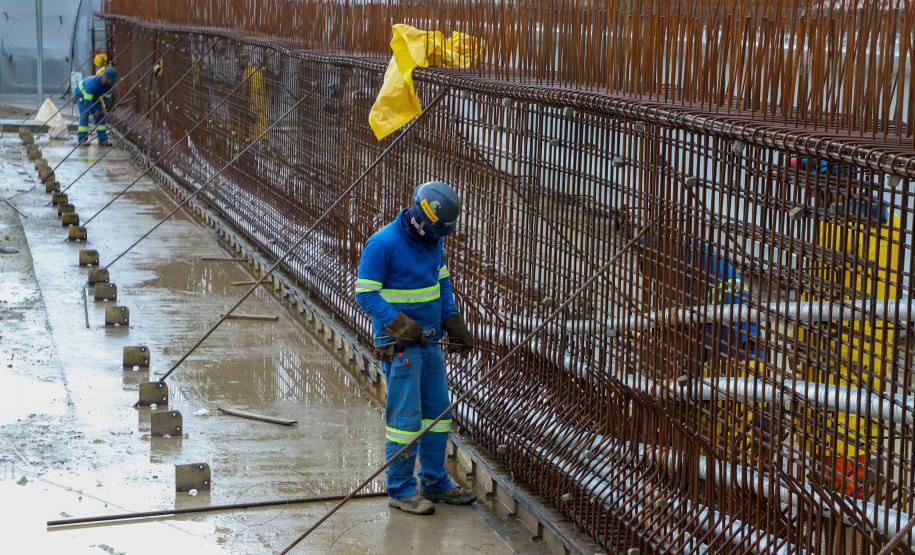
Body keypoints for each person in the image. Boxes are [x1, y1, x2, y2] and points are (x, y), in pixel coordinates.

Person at [355, 181, 477, 515]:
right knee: (405, 421)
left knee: (438, 416)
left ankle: (435, 482)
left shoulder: (433, 241)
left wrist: (451, 318)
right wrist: (398, 324)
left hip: (429, 341)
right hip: (401, 346)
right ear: (418, 219)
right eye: (433, 231)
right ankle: (401, 489)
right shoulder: (382, 244)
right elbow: (364, 294)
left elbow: (442, 281)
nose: (436, 238)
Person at [73, 66, 118, 147]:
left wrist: (106, 108)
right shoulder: (92, 84)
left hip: (94, 97)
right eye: (110, 80)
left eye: (112, 81)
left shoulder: (108, 85)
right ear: (105, 77)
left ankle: (102, 139)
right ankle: (82, 139)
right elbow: (87, 102)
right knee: (84, 115)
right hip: (82, 96)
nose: (111, 82)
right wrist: (94, 111)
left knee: (101, 117)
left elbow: (107, 96)